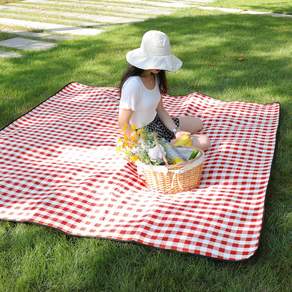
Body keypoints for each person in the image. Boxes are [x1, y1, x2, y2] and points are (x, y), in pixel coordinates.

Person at [118, 30, 211, 151]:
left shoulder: (155, 76)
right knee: (205, 142)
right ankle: (168, 147)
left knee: (198, 123)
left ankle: (173, 141)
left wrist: (176, 131)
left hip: (157, 123)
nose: (159, 66)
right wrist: (139, 144)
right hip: (145, 135)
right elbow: (123, 122)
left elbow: (160, 109)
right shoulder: (133, 84)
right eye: (156, 61)